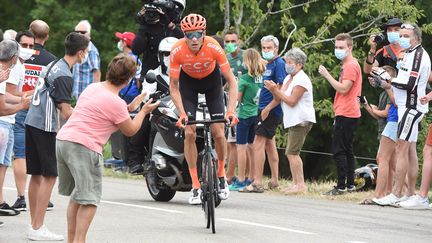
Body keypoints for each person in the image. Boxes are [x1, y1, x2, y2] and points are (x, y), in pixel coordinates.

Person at [56, 53, 159, 243]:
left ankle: (72, 240)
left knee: (78, 196)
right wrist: (144, 111)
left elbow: (103, 110)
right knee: (89, 199)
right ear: (128, 79)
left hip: (64, 141)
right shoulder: (115, 103)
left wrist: (130, 107)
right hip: (84, 147)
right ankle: (80, 241)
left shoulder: (93, 88)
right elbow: (130, 130)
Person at [24, 32, 89, 241]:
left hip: (32, 120)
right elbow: (65, 111)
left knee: (35, 174)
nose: (86, 54)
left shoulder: (54, 64)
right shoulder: (64, 74)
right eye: (85, 51)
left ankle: (34, 224)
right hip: (45, 125)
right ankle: (38, 227)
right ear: (80, 53)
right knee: (50, 175)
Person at [169, 13, 238, 204]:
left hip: (212, 84)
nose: (193, 39)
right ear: (183, 35)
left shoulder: (214, 47)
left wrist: (231, 110)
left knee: (218, 132)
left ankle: (222, 175)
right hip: (188, 85)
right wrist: (182, 113)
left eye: (197, 34)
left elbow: (232, 82)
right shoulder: (177, 50)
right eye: (188, 35)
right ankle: (195, 185)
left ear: (204, 33)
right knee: (189, 133)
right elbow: (173, 87)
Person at [372, 23, 431, 206]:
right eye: (401, 34)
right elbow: (402, 80)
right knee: (411, 150)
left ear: (416, 38)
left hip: (410, 107)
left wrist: (388, 79)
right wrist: (386, 82)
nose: (401, 38)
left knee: (401, 148)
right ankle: (411, 193)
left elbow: (410, 84)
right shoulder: (410, 53)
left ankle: (396, 193)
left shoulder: (419, 56)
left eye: (406, 35)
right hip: (407, 106)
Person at [11, 20, 57, 212]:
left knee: (20, 154)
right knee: (42, 156)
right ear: (47, 36)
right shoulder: (52, 60)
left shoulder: (16, 58)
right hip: (40, 111)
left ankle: (22, 196)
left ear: (31, 33)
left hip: (18, 106)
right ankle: (43, 197)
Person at [264, 48, 316, 194]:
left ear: (299, 64)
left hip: (301, 120)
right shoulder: (289, 78)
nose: (287, 65)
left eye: (290, 62)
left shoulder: (302, 79)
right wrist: (272, 95)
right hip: (293, 120)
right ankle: (295, 183)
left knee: (292, 153)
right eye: (286, 62)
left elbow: (292, 101)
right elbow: (281, 95)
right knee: (291, 152)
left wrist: (275, 90)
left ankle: (300, 185)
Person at [240, 35, 286, 193]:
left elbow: (280, 92)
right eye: (264, 48)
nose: (266, 51)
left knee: (257, 143)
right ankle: (274, 179)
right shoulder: (268, 64)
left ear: (276, 49)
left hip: (271, 110)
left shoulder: (279, 64)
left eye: (269, 48)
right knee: (269, 144)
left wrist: (266, 110)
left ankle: (257, 182)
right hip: (263, 108)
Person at [319, 33, 362, 195]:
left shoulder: (350, 65)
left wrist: (326, 75)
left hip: (347, 112)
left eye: (341, 47)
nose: (338, 50)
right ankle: (350, 184)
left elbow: (344, 88)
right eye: (336, 47)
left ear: (349, 48)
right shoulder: (349, 64)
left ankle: (341, 185)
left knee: (339, 150)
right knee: (347, 149)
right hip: (348, 111)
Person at [127, 36, 177, 174]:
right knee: (144, 123)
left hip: (181, 112)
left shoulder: (185, 74)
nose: (169, 57)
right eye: (166, 54)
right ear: (160, 55)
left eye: (173, 54)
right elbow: (146, 92)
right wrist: (152, 96)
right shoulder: (153, 74)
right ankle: (136, 160)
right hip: (160, 111)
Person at [0, 39, 31, 217]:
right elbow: (2, 108)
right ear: (13, 57)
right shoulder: (4, 72)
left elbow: (6, 98)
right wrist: (22, 106)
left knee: (3, 164)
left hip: (7, 124)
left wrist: (21, 100)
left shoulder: (4, 73)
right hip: (4, 123)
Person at [361, 66, 398, 203]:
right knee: (392, 162)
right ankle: (392, 192)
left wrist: (387, 86)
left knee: (382, 158)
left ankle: (379, 195)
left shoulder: (393, 87)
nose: (378, 79)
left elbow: (388, 111)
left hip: (394, 121)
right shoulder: (387, 91)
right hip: (393, 122)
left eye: (380, 76)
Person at [229, 48, 264, 191]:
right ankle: (252, 176)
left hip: (243, 115)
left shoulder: (244, 79)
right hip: (255, 114)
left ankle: (242, 178)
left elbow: (237, 98)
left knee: (241, 147)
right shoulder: (261, 77)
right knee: (252, 147)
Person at [132, 0, 185, 78]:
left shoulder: (179, 26)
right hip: (150, 76)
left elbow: (185, 41)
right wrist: (143, 26)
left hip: (175, 76)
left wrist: (169, 24)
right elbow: (136, 50)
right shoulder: (150, 25)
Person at [224, 30, 248, 185]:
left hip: (243, 104)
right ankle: (230, 174)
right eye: (227, 42)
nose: (230, 44)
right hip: (227, 101)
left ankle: (230, 176)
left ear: (239, 41)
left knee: (236, 142)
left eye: (233, 41)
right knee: (229, 141)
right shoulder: (223, 59)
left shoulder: (246, 57)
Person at [72, 20, 101, 99]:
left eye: (82, 32)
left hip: (87, 97)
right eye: (77, 32)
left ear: (89, 34)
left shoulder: (91, 51)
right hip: (76, 95)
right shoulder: (78, 48)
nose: (79, 34)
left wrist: (94, 95)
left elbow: (97, 73)